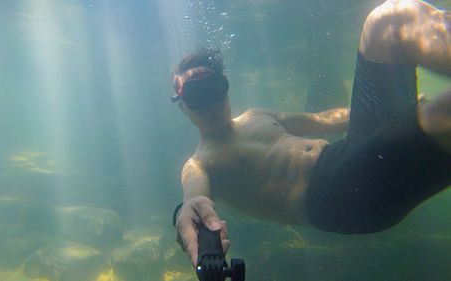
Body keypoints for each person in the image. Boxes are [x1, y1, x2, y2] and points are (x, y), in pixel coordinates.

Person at [171, 0, 451, 267]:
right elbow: (196, 198)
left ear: (226, 86)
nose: (209, 102)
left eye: (213, 87)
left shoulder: (256, 116)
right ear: (183, 107)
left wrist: (397, 110)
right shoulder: (199, 164)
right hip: (340, 197)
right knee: (442, 117)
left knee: (389, 19)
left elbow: (325, 120)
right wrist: (189, 210)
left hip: (353, 152)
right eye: (196, 94)